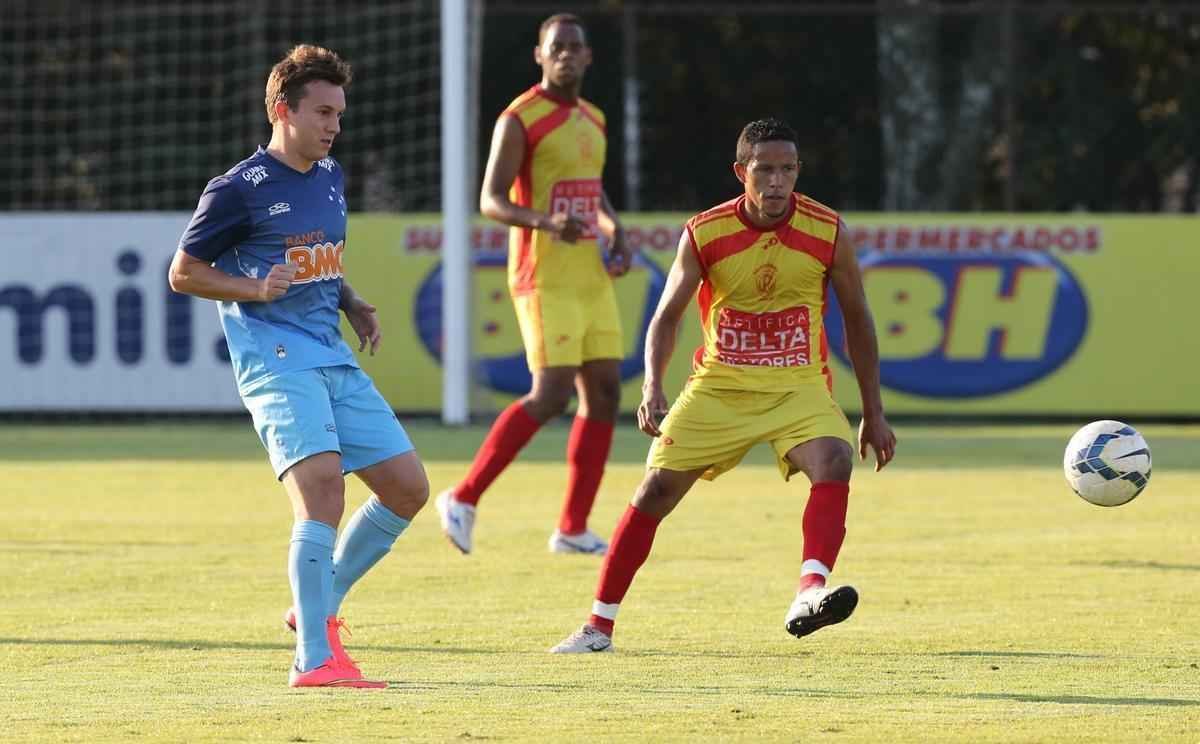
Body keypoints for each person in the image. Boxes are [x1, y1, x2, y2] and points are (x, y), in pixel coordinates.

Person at [550, 118, 897, 653]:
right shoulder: (705, 232)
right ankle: (598, 627)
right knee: (653, 493)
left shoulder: (828, 231)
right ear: (741, 173)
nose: (777, 182)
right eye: (765, 170)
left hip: (797, 387)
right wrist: (652, 387)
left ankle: (810, 590)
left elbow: (858, 318)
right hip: (717, 387)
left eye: (788, 169)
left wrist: (874, 411)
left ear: (798, 171)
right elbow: (666, 317)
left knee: (833, 461)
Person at [168, 44, 429, 687]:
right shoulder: (236, 190)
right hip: (276, 361)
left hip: (330, 354)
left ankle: (317, 605)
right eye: (323, 112)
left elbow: (321, 257)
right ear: (283, 111)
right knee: (321, 498)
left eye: (339, 113)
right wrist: (254, 289)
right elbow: (183, 273)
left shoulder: (331, 175)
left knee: (407, 488)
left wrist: (351, 299)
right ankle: (315, 657)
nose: (334, 125)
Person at [435, 13, 633, 556]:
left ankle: (572, 528)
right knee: (549, 394)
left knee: (606, 393)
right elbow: (491, 200)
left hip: (590, 276)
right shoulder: (520, 118)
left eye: (576, 46)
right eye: (557, 47)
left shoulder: (594, 118)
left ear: (589, 57)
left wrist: (616, 232)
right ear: (540, 56)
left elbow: (592, 193)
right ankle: (463, 496)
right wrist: (547, 222)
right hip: (542, 274)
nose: (567, 54)